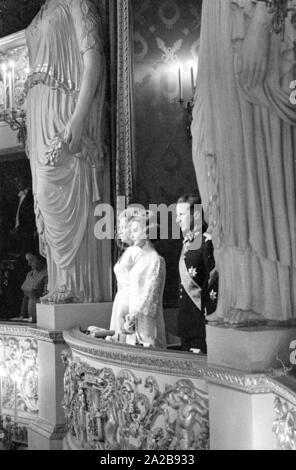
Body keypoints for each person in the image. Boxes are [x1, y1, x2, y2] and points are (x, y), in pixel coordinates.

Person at [192, 1, 296, 325]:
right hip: (221, 27)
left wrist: (262, 24)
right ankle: (239, 290)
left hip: (248, 21)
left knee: (254, 161)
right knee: (221, 166)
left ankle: (268, 298)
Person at [25, 0, 106, 304]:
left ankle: (78, 287)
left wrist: (80, 116)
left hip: (64, 108)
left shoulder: (76, 2)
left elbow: (93, 58)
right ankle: (59, 282)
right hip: (39, 113)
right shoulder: (39, 14)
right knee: (44, 198)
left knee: (60, 191)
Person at [108, 207, 167, 349]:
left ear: (147, 232)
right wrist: (130, 317)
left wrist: (133, 316)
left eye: (135, 231)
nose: (131, 234)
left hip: (147, 323)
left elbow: (150, 298)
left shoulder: (155, 260)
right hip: (134, 321)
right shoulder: (140, 258)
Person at [176, 194, 217, 353]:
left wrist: (209, 319)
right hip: (187, 321)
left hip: (201, 324)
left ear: (197, 214)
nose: (178, 220)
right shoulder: (188, 242)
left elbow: (213, 284)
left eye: (181, 215)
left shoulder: (207, 242)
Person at [19, 249, 48, 323]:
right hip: (29, 315)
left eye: (31, 260)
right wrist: (21, 316)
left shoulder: (46, 274)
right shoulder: (29, 274)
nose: (29, 263)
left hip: (41, 313)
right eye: (27, 260)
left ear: (40, 259)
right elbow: (25, 297)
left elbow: (46, 298)